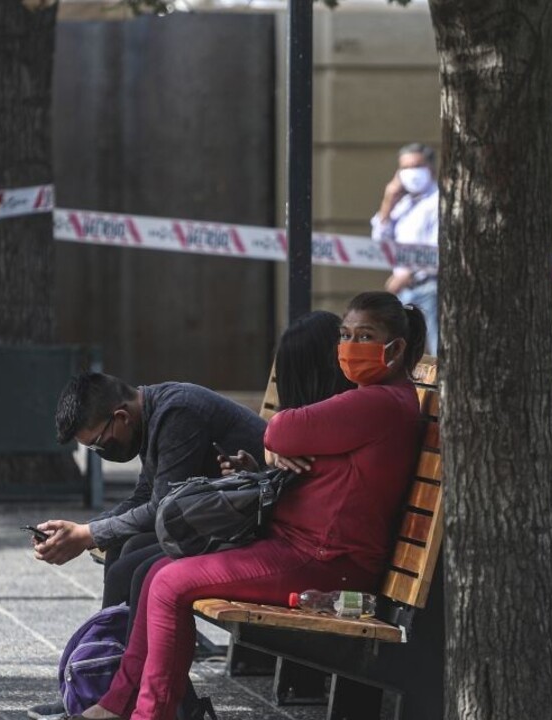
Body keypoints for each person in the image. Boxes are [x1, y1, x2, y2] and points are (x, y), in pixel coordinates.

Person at [76, 291, 426, 720]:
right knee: (157, 574)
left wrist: (279, 443)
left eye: (366, 336)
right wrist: (274, 453)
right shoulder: (376, 399)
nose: (351, 347)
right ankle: (118, 704)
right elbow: (298, 445)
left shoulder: (377, 402)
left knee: (168, 583)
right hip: (301, 546)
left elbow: (283, 429)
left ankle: (149, 713)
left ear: (397, 348)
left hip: (324, 560)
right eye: (346, 334)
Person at [25, 373, 266, 720]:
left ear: (121, 417)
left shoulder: (177, 414)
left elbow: (162, 509)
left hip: (255, 530)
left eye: (98, 443)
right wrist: (83, 530)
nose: (99, 452)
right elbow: (147, 497)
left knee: (136, 570)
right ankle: (112, 684)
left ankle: (123, 697)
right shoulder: (153, 415)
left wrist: (88, 534)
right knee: (126, 547)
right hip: (219, 522)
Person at [372, 142, 439, 355]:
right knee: (403, 354)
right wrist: (388, 201)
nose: (411, 172)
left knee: (438, 352)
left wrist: (405, 275)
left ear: (431, 168)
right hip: (404, 291)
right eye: (406, 167)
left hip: (431, 288)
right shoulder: (402, 203)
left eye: (417, 165)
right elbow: (379, 242)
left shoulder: (439, 200)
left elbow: (436, 249)